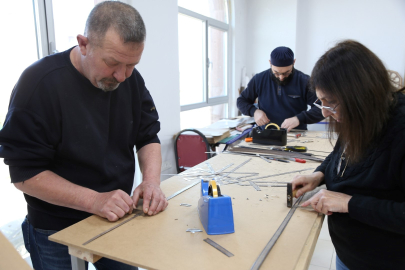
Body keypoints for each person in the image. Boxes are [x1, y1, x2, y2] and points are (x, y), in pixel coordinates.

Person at [0, 2, 168, 269]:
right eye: (112, 63)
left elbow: (147, 136)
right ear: (84, 44)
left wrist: (151, 182)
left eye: (131, 65)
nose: (122, 76)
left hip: (115, 216)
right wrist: (94, 200)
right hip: (53, 226)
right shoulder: (38, 85)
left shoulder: (130, 80)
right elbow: (25, 175)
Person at [291, 40, 405, 270]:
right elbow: (341, 153)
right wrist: (319, 175)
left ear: (361, 95)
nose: (324, 112)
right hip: (349, 255)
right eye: (321, 101)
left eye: (331, 103)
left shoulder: (399, 130)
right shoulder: (358, 116)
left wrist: (349, 203)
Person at [237, 46, 324, 131]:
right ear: (270, 63)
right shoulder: (259, 79)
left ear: (294, 62)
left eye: (286, 73)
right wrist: (254, 111)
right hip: (266, 133)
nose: (281, 77)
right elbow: (241, 101)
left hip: (296, 134)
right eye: (276, 73)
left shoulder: (305, 81)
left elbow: (322, 107)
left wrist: (299, 118)